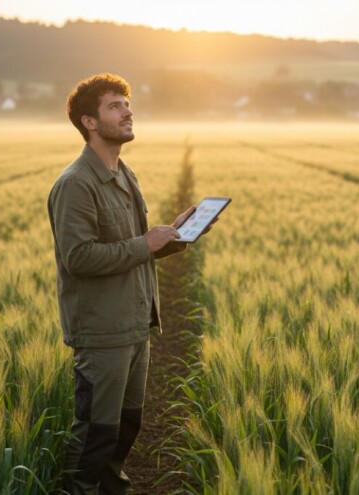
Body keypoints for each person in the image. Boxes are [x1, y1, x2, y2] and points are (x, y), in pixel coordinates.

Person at [47, 73, 210, 494]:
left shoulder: (124, 174)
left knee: (127, 426)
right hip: (103, 332)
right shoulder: (75, 185)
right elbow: (78, 258)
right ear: (90, 122)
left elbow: (132, 249)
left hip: (136, 324)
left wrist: (170, 240)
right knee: (96, 434)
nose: (127, 111)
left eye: (127, 103)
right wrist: (144, 242)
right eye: (115, 106)